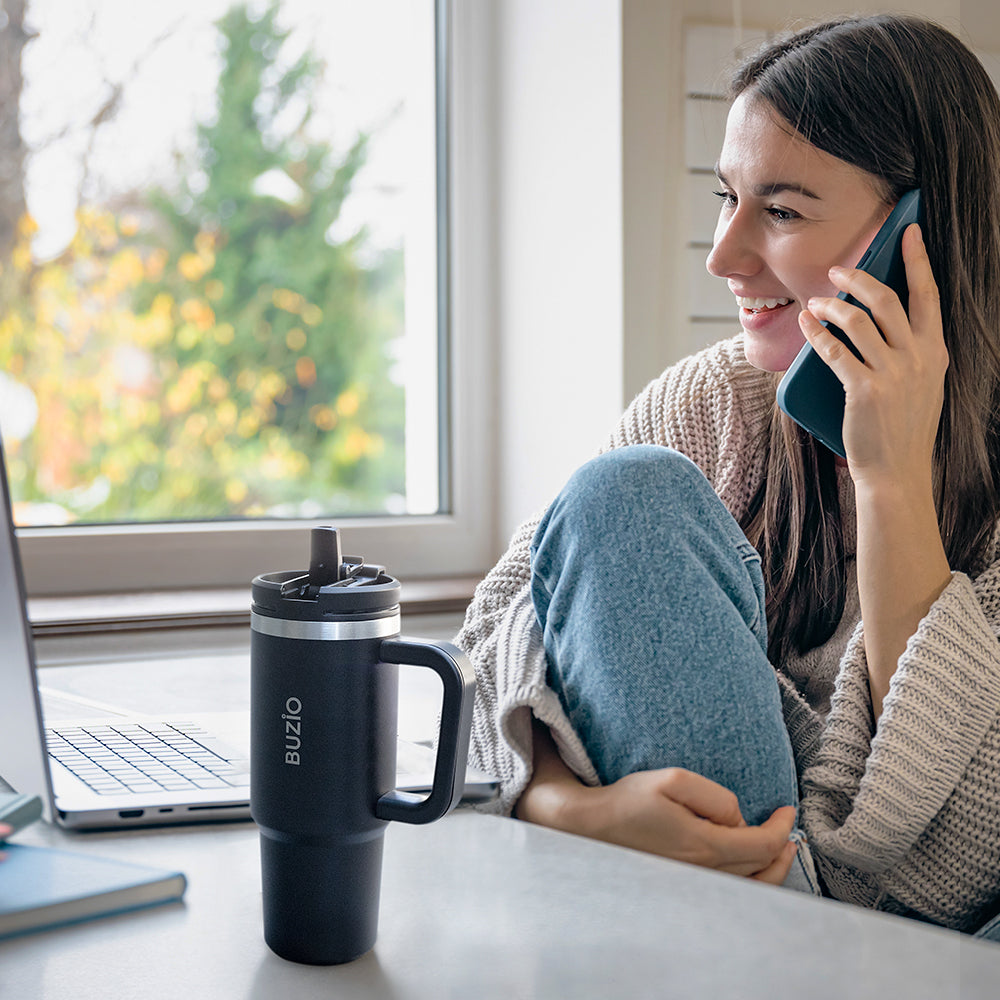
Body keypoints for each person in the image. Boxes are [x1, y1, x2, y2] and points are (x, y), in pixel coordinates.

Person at [455, 12, 1000, 935]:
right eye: (727, 198)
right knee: (624, 492)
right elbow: (476, 658)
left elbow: (950, 861)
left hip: (895, 945)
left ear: (921, 234)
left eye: (781, 210)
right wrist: (564, 807)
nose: (724, 256)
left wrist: (891, 480)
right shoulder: (711, 406)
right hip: (711, 917)